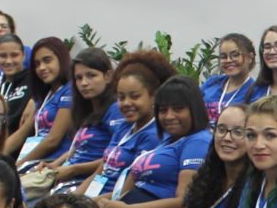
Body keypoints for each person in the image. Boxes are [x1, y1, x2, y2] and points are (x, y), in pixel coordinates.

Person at [104, 74, 210, 208]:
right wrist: (105, 203)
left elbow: (183, 205)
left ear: (194, 108)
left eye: (178, 109)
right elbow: (125, 192)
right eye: (163, 110)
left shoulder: (198, 142)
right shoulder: (168, 140)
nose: (169, 116)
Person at [59, 52, 169, 196]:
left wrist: (87, 205)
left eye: (135, 96)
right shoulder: (125, 127)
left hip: (110, 205)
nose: (126, 103)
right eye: (121, 97)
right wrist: (74, 198)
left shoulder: (153, 136)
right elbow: (100, 171)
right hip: (91, 198)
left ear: (153, 96)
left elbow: (129, 191)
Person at [160, 104, 249, 208]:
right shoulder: (207, 178)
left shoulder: (254, 188)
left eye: (238, 132)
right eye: (221, 129)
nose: (227, 138)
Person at [34, 48, 118, 186]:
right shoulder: (86, 109)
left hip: (86, 181)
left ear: (108, 76)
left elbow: (116, 158)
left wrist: (73, 170)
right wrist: (55, 165)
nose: (84, 83)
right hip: (67, 177)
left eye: (91, 75)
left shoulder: (114, 110)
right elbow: (77, 149)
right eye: (78, 78)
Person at [9, 37, 72, 166]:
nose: (41, 68)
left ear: (62, 59)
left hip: (54, 163)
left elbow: (53, 140)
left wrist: (19, 165)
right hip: (36, 162)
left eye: (47, 60)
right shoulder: (46, 95)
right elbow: (22, 133)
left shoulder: (69, 91)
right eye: (37, 64)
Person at [200, 33, 257, 121]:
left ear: (250, 57)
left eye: (235, 55)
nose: (228, 60)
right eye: (223, 56)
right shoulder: (211, 83)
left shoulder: (255, 91)